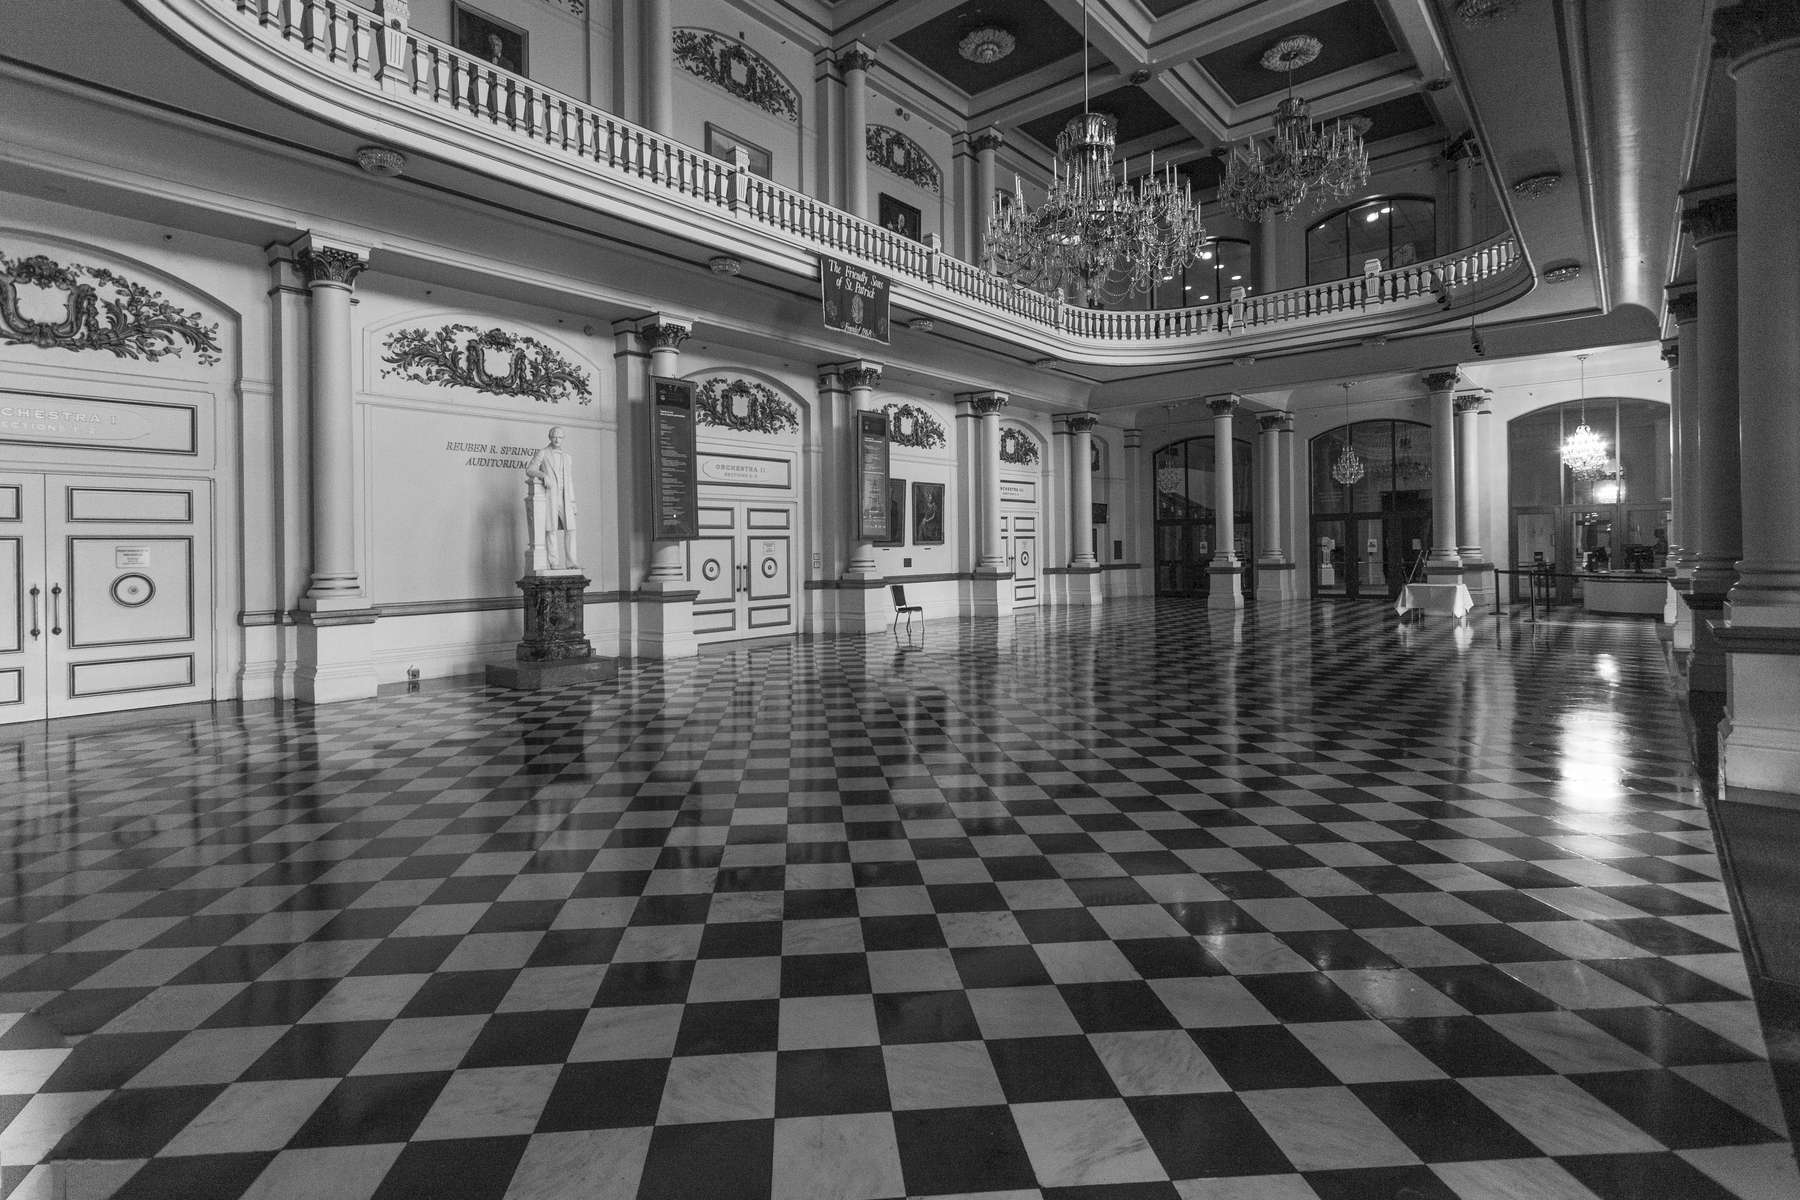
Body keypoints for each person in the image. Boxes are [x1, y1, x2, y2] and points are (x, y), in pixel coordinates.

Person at [526, 426, 577, 569]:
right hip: (550, 496)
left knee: (571, 529)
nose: (557, 439)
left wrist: (573, 502)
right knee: (551, 530)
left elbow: (570, 480)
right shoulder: (543, 453)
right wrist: (543, 475)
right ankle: (554, 563)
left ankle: (572, 563)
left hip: (565, 497)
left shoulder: (567, 457)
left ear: (563, 439)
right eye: (554, 436)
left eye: (560, 437)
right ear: (550, 437)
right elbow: (530, 470)